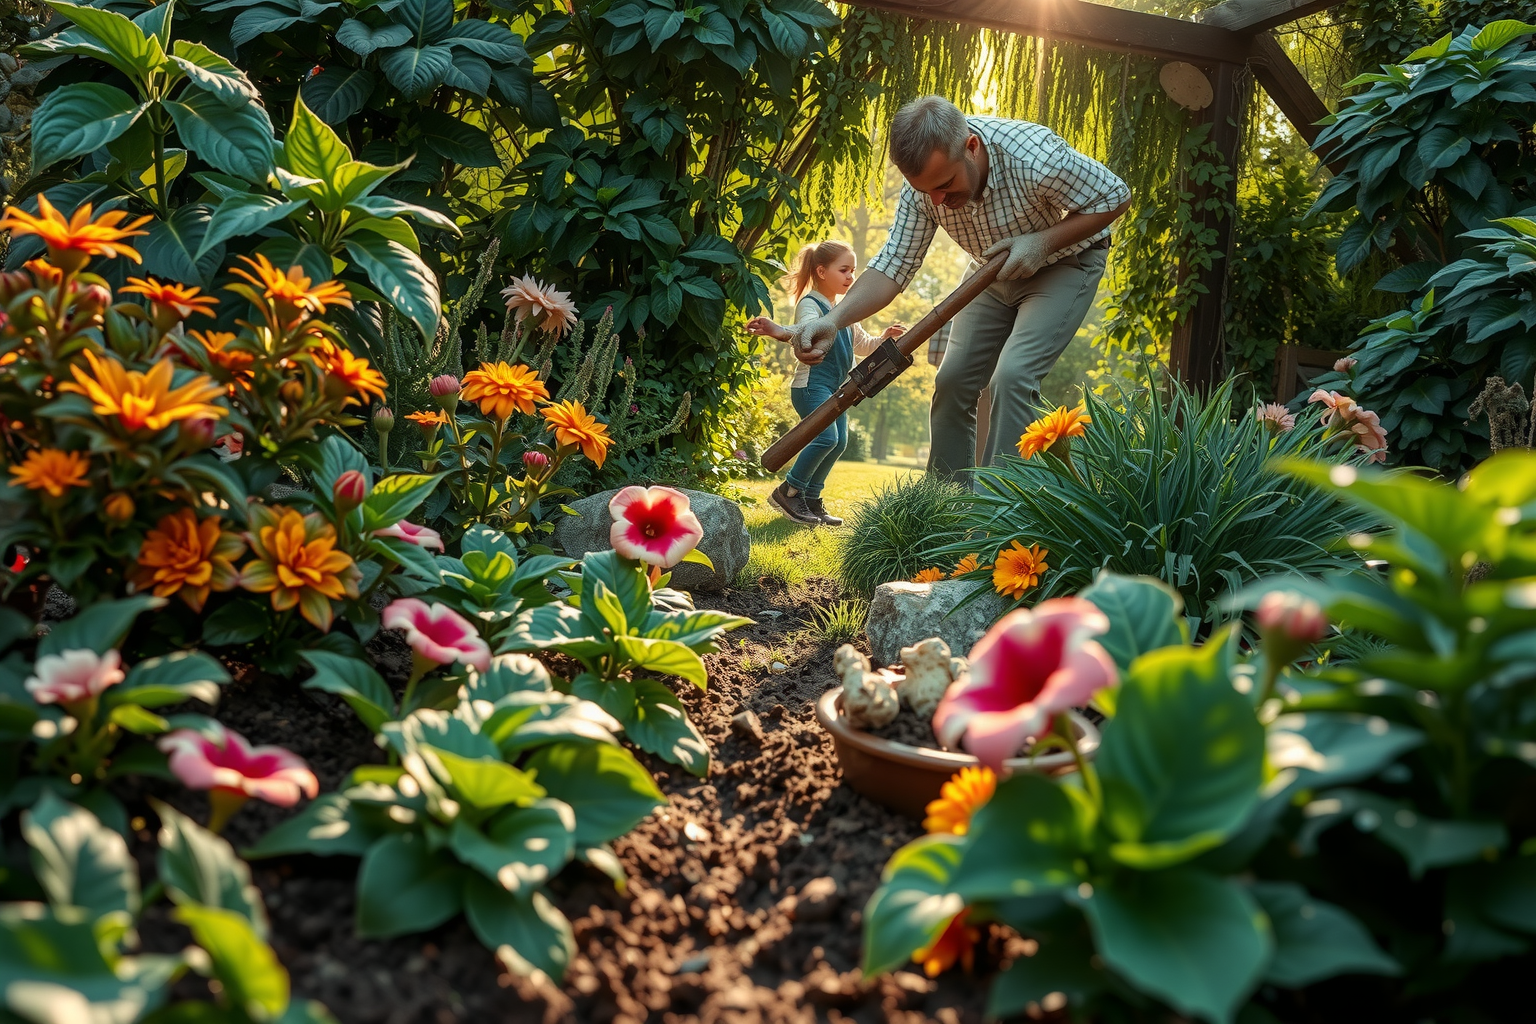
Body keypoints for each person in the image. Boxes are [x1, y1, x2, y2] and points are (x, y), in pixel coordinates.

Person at [786, 95, 1130, 481]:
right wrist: (833, 320)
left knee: (1013, 376)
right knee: (952, 382)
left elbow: (1115, 194)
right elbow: (894, 264)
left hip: (1064, 264)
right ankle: (946, 504)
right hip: (990, 274)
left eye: (945, 184)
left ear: (972, 147)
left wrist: (1044, 241)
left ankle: (999, 508)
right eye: (926, 190)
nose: (937, 201)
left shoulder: (1035, 157)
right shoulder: (923, 191)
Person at [747, 241, 906, 526]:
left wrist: (883, 338)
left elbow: (862, 344)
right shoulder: (811, 304)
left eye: (853, 271)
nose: (850, 277)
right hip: (811, 386)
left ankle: (811, 499)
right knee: (826, 438)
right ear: (821, 271)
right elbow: (805, 328)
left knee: (839, 442)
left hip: (838, 389)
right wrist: (778, 330)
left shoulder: (845, 309)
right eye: (844, 270)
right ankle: (789, 491)